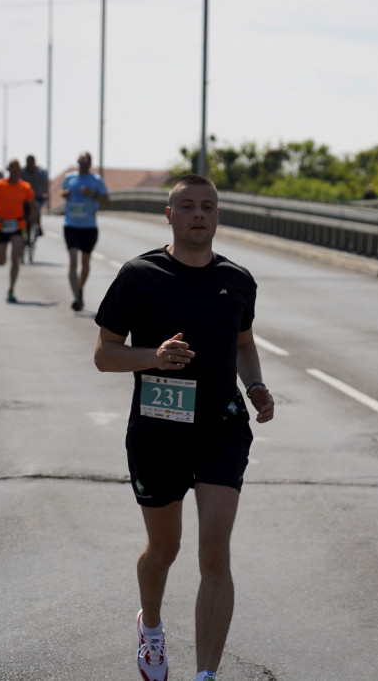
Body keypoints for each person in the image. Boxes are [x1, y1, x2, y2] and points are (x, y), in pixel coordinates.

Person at [93, 174, 275, 681]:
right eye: (188, 206)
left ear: (218, 215)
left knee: (215, 552)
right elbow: (104, 354)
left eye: (209, 207)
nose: (200, 214)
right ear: (169, 215)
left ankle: (206, 675)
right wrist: (153, 356)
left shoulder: (238, 279)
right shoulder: (139, 275)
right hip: (159, 429)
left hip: (222, 428)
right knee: (164, 550)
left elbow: (243, 343)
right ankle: (151, 626)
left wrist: (256, 386)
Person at [61, 151, 110, 311]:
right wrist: (65, 194)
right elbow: (63, 193)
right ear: (78, 162)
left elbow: (107, 202)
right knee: (73, 260)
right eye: (82, 161)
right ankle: (76, 297)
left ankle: (80, 289)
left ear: (90, 164)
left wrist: (93, 194)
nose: (84, 163)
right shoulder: (69, 178)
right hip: (71, 225)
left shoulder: (96, 180)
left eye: (87, 161)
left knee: (85, 262)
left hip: (89, 227)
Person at [0, 158, 34, 303]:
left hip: (17, 225)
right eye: (11, 170)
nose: (14, 172)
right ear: (8, 170)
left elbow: (33, 204)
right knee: (2, 261)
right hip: (1, 225)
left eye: (16, 170)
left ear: (19, 170)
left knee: (15, 258)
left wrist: (32, 216)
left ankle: (11, 289)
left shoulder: (25, 187)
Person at [19, 154, 49, 238]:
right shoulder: (22, 172)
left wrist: (46, 193)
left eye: (31, 162)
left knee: (36, 210)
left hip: (38, 197)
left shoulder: (41, 172)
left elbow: (46, 183)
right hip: (26, 198)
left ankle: (38, 226)